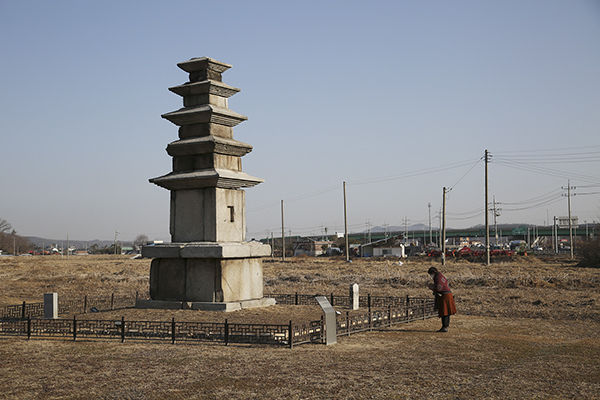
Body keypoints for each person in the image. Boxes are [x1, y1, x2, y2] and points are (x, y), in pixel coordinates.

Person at [427, 266, 456, 332]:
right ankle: (445, 326)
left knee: (445, 312)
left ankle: (445, 327)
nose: (431, 276)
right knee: (445, 312)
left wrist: (432, 288)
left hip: (445, 295)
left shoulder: (438, 277)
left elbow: (439, 288)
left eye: (431, 274)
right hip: (447, 295)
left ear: (433, 272)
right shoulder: (440, 276)